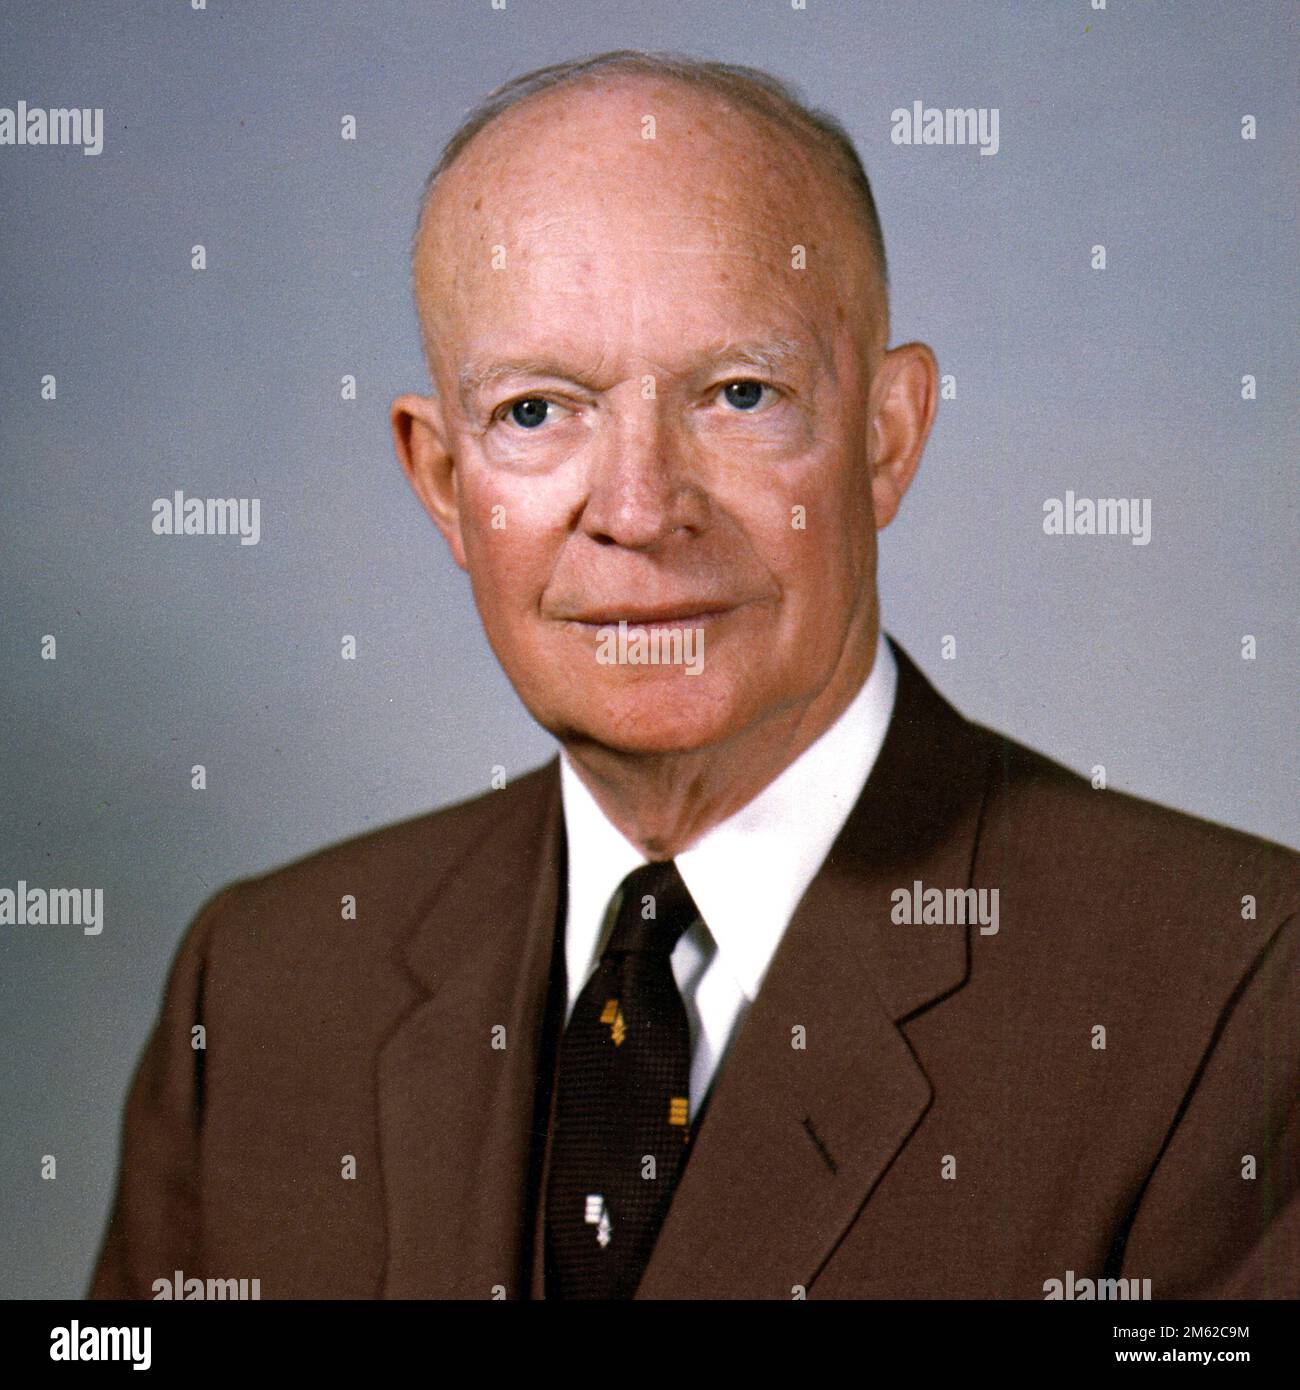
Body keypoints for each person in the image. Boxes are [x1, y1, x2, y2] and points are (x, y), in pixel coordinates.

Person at [90, 50, 1298, 1301]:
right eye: (535, 412)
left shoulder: (1239, 991)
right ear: (445, 483)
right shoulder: (263, 987)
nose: (637, 509)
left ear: (886, 438)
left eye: (737, 393)